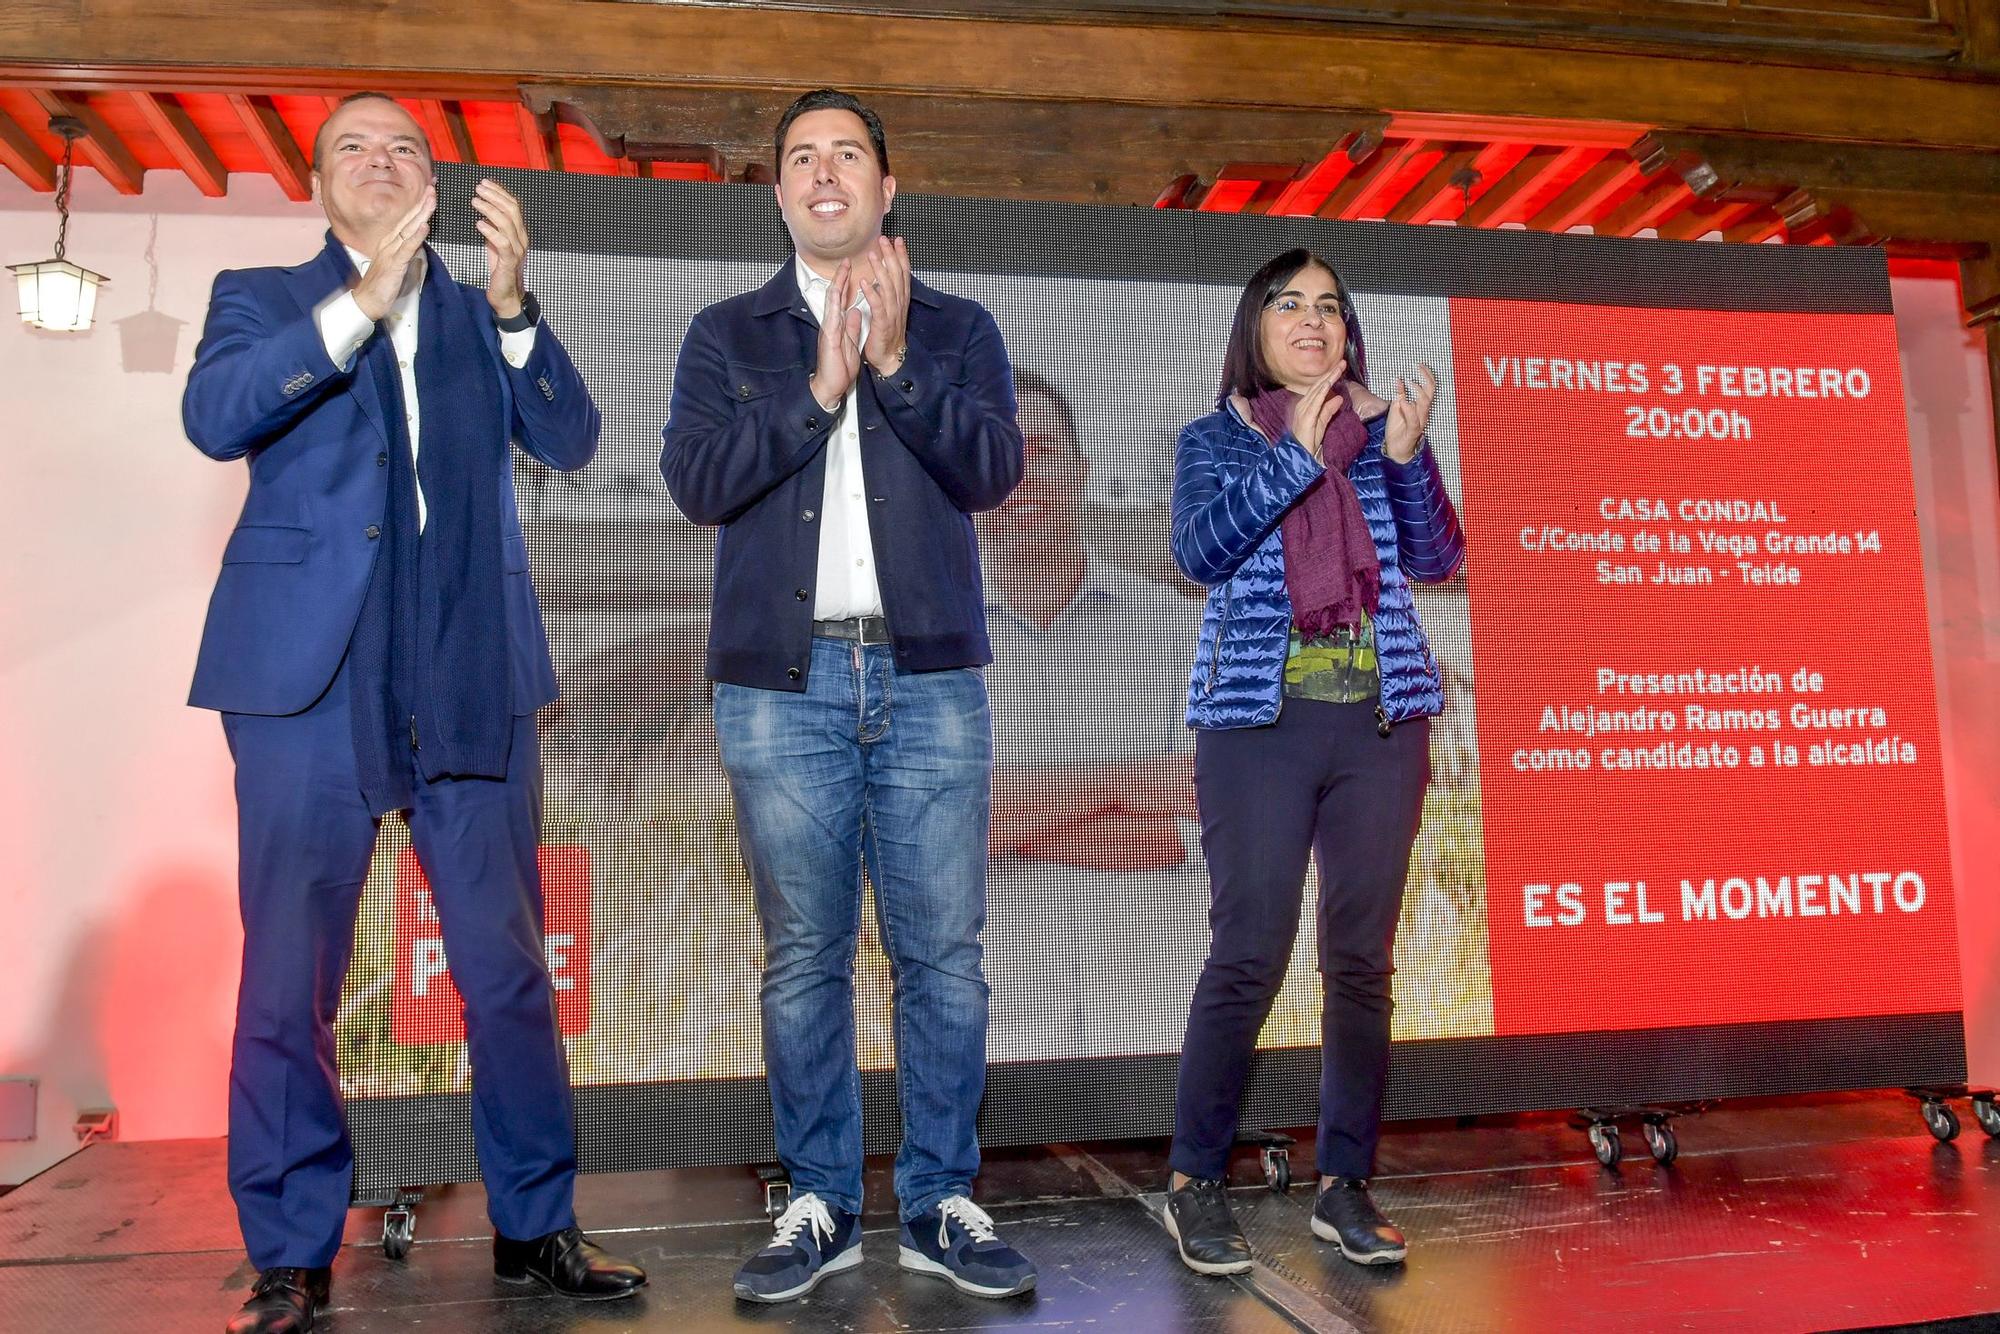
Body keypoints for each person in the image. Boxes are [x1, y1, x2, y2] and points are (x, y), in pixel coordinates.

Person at [182, 91, 645, 1334]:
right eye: (353, 148)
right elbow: (215, 416)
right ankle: (288, 1248)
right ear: (317, 182)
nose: (379, 163)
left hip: (467, 665)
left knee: (503, 969)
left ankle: (535, 1222)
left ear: (431, 184)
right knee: (290, 976)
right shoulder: (263, 297)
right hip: (305, 679)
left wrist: (513, 310)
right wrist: (357, 307)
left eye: (404, 149)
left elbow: (572, 434)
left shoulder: (476, 308)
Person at [658, 88, 1034, 1305]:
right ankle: (818, 1197)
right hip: (784, 683)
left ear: (885, 189)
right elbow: (696, 481)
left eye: (848, 156)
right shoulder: (726, 332)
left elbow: (992, 468)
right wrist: (817, 392)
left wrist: (893, 364)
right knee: (803, 953)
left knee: (945, 958)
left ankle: (939, 1199)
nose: (825, 174)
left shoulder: (959, 326)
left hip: (927, 677)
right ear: (779, 193)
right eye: (801, 158)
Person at [1160, 248, 1464, 1275]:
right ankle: (1194, 1181)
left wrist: (1410, 456)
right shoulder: (1213, 438)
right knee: (1247, 950)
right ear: (1253, 326)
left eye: (1328, 306)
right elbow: (1198, 551)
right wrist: (1294, 455)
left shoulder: (1379, 438)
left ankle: (1344, 1182)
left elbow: (1435, 557)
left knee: (1359, 961)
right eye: (1288, 303)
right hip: (1257, 725)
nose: (1311, 319)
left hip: (1379, 726)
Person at [978, 370, 1207, 1059]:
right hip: (987, 1037)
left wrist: (989, 814)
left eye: (1043, 449)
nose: (1022, 474)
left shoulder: (1181, 633)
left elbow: (1201, 829)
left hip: (1157, 1024)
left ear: (1081, 471)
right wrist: (1124, 786)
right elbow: (908, 835)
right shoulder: (914, 646)